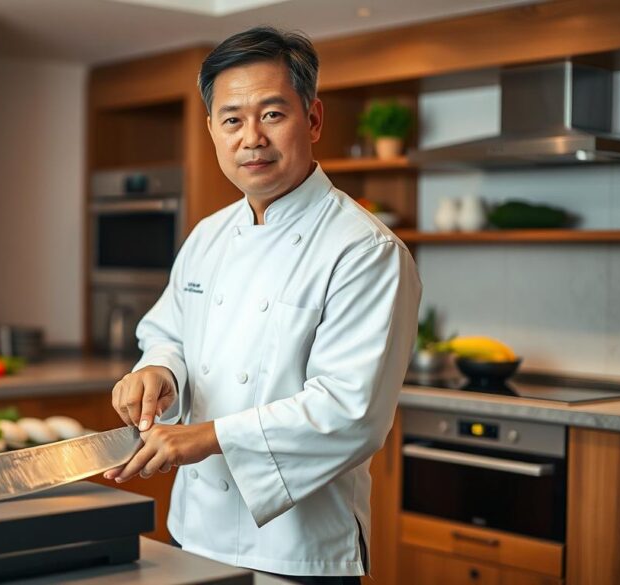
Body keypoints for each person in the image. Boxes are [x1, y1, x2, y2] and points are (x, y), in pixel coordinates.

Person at [102, 26, 422, 585]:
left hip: (296, 552)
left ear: (314, 119)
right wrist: (158, 371)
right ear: (212, 131)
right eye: (232, 120)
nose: (251, 138)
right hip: (191, 531)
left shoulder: (364, 250)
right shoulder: (207, 235)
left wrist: (209, 437)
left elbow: (350, 411)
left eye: (272, 114)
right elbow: (169, 334)